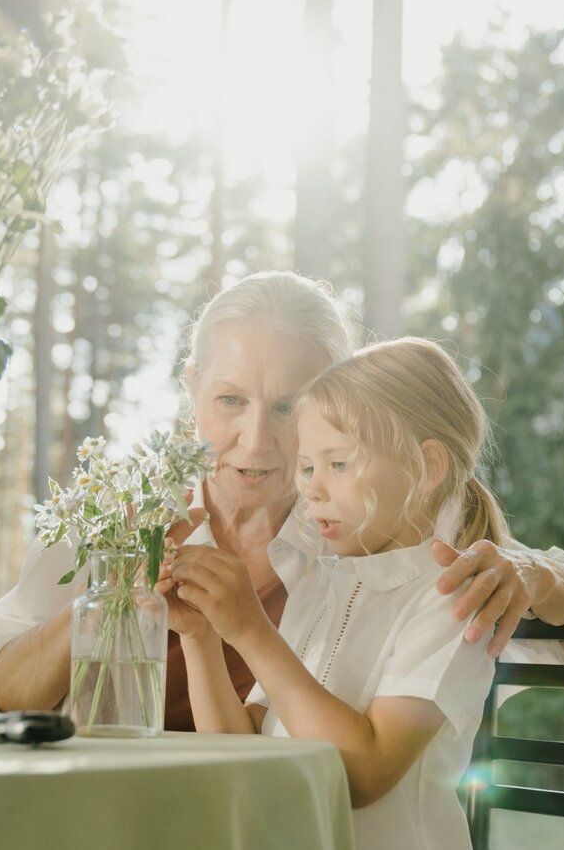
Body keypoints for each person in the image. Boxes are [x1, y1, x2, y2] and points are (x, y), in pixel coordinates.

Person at [0, 272, 564, 728]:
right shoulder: (119, 513)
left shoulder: (372, 527)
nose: (256, 442)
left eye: (288, 408)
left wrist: (527, 575)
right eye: (230, 401)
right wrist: (100, 604)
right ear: (192, 389)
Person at [160, 338, 502, 850]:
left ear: (427, 468)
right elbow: (240, 748)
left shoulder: (450, 597)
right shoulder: (320, 584)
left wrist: (253, 632)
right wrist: (200, 635)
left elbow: (363, 775)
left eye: (339, 464)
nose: (313, 489)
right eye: (307, 467)